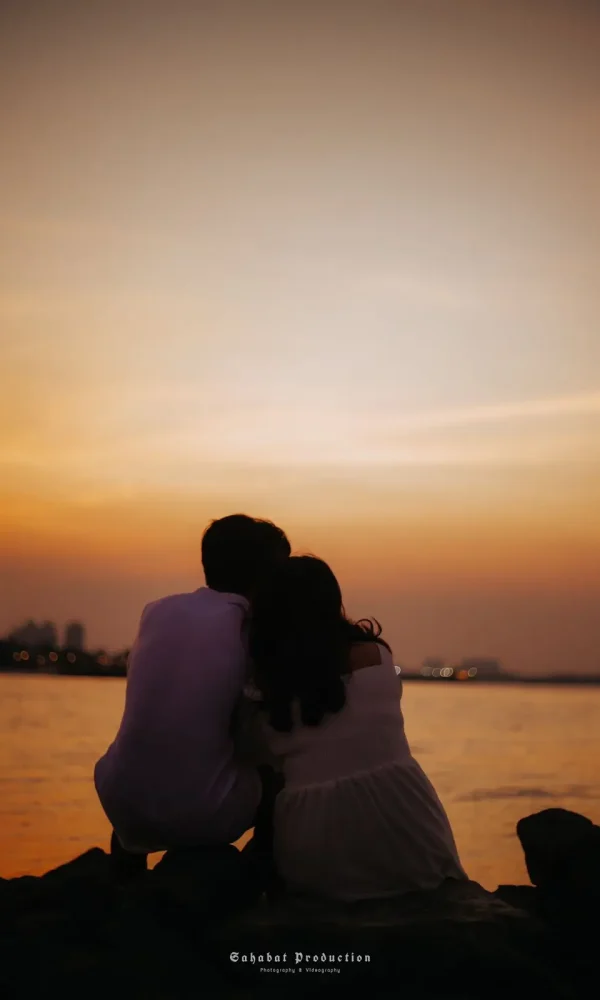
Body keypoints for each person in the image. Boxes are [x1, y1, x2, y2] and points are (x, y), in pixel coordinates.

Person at [243, 555, 467, 901]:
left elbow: (251, 756)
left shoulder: (263, 689)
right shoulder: (377, 659)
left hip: (313, 842)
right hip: (409, 829)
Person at [94, 514, 291, 873]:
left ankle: (125, 875)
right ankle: (261, 876)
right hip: (201, 817)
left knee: (149, 761)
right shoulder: (252, 630)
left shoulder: (157, 611)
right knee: (281, 774)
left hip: (118, 801)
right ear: (265, 577)